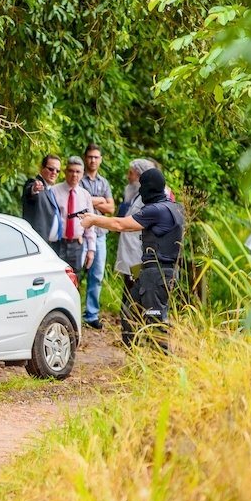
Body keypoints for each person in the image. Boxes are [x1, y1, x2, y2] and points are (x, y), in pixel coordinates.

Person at [80, 168, 184, 351]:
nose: (140, 190)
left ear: (150, 188)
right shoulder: (171, 207)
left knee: (155, 323)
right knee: (130, 313)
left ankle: (161, 366)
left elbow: (121, 224)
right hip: (152, 271)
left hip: (157, 273)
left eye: (143, 186)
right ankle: (136, 357)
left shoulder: (157, 210)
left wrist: (94, 219)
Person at [114, 159, 157, 331]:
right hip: (129, 253)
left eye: (131, 172)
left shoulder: (148, 197)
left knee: (135, 292)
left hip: (138, 255)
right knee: (128, 290)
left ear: (139, 175)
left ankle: (136, 330)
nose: (128, 176)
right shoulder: (133, 193)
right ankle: (129, 330)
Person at [79, 143, 114, 329]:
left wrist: (93, 201)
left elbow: (111, 208)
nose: (93, 160)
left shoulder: (104, 182)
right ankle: (72, 313)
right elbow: (79, 202)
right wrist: (101, 200)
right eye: (90, 157)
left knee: (97, 275)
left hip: (100, 234)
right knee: (76, 273)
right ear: (86, 158)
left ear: (100, 160)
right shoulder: (79, 179)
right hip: (81, 234)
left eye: (96, 157)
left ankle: (91, 315)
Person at [53, 156, 95, 276]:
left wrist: (91, 250)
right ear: (65, 172)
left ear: (82, 174)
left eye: (78, 172)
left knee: (74, 280)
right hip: (58, 243)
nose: (74, 175)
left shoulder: (85, 195)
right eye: (71, 171)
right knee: (56, 278)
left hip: (77, 244)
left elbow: (90, 224)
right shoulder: (54, 191)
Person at [22, 154, 63, 253]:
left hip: (49, 246)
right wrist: (34, 189)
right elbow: (30, 192)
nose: (54, 173)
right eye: (51, 169)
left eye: (57, 171)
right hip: (35, 245)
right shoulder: (35, 183)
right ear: (41, 168)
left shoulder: (50, 190)